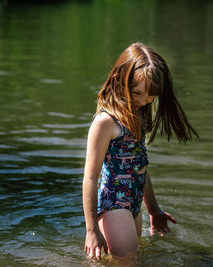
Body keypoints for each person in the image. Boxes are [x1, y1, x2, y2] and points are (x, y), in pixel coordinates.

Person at [82, 42, 198, 261]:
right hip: (114, 204)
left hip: (134, 204)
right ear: (120, 80)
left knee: (129, 260)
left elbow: (139, 168)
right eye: (137, 93)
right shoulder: (105, 121)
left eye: (150, 96)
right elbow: (90, 177)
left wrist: (153, 210)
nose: (143, 101)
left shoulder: (139, 116)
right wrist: (91, 231)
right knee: (128, 262)